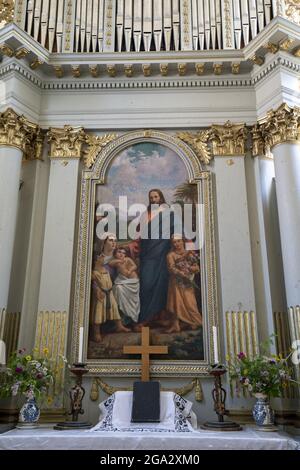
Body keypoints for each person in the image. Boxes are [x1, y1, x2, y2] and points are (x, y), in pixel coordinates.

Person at [138, 189, 174, 325]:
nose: (153, 199)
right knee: (146, 284)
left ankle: (158, 316)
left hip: (162, 253)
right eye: (151, 197)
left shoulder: (168, 213)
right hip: (147, 253)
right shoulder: (145, 214)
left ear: (160, 197)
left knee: (161, 284)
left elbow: (176, 230)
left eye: (155, 197)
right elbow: (139, 234)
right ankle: (146, 316)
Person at [165, 235, 202, 333]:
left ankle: (194, 321)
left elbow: (196, 267)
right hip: (175, 282)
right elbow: (171, 268)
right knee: (176, 302)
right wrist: (181, 273)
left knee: (190, 303)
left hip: (187, 282)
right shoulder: (170, 255)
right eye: (174, 242)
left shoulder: (189, 253)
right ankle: (175, 325)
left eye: (178, 241)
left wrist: (190, 269)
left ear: (183, 241)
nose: (177, 244)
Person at [91, 254, 130, 342]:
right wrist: (97, 290)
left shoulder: (105, 269)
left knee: (114, 309)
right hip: (101, 295)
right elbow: (94, 284)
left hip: (110, 292)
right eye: (101, 257)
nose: (103, 258)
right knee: (98, 313)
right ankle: (96, 333)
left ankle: (119, 326)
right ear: (96, 261)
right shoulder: (94, 272)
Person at [109, 247, 140, 324]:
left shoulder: (128, 259)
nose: (121, 254)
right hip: (122, 281)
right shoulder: (116, 262)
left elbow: (134, 266)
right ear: (115, 254)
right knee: (117, 289)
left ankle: (131, 318)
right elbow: (111, 263)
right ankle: (124, 315)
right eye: (119, 252)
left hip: (133, 283)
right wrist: (119, 261)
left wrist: (130, 270)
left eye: (123, 253)